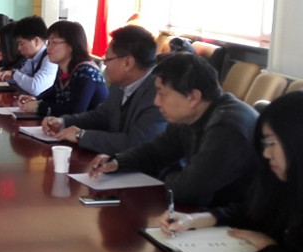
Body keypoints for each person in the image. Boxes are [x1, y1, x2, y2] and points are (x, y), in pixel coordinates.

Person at [159, 92, 303, 252]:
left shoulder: (227, 124)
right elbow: (251, 212)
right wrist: (194, 220)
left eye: (272, 143)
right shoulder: (284, 182)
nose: (266, 153)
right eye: (265, 144)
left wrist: (264, 243)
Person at [89, 53, 259, 206]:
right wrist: (118, 162)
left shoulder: (227, 128)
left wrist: (164, 179)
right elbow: (156, 151)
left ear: (193, 97)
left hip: (237, 221)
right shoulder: (190, 115)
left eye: (162, 94)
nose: (156, 102)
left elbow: (189, 190)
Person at [41, 25, 166, 154]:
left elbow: (135, 143)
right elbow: (100, 116)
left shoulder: (160, 94)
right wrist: (63, 122)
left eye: (108, 59)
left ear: (128, 63)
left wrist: (81, 135)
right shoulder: (120, 83)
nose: (105, 64)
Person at [19, 20, 108, 116]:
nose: (49, 48)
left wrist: (38, 106)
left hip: (93, 125)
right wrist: (35, 99)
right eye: (48, 42)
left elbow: (75, 110)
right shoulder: (64, 69)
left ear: (72, 45)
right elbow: (53, 94)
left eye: (54, 42)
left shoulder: (86, 72)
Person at [0, 16, 57, 96]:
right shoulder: (31, 59)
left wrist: (13, 74)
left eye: (21, 44)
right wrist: (4, 75)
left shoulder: (50, 59)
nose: (19, 48)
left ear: (36, 41)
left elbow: (35, 87)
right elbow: (21, 77)